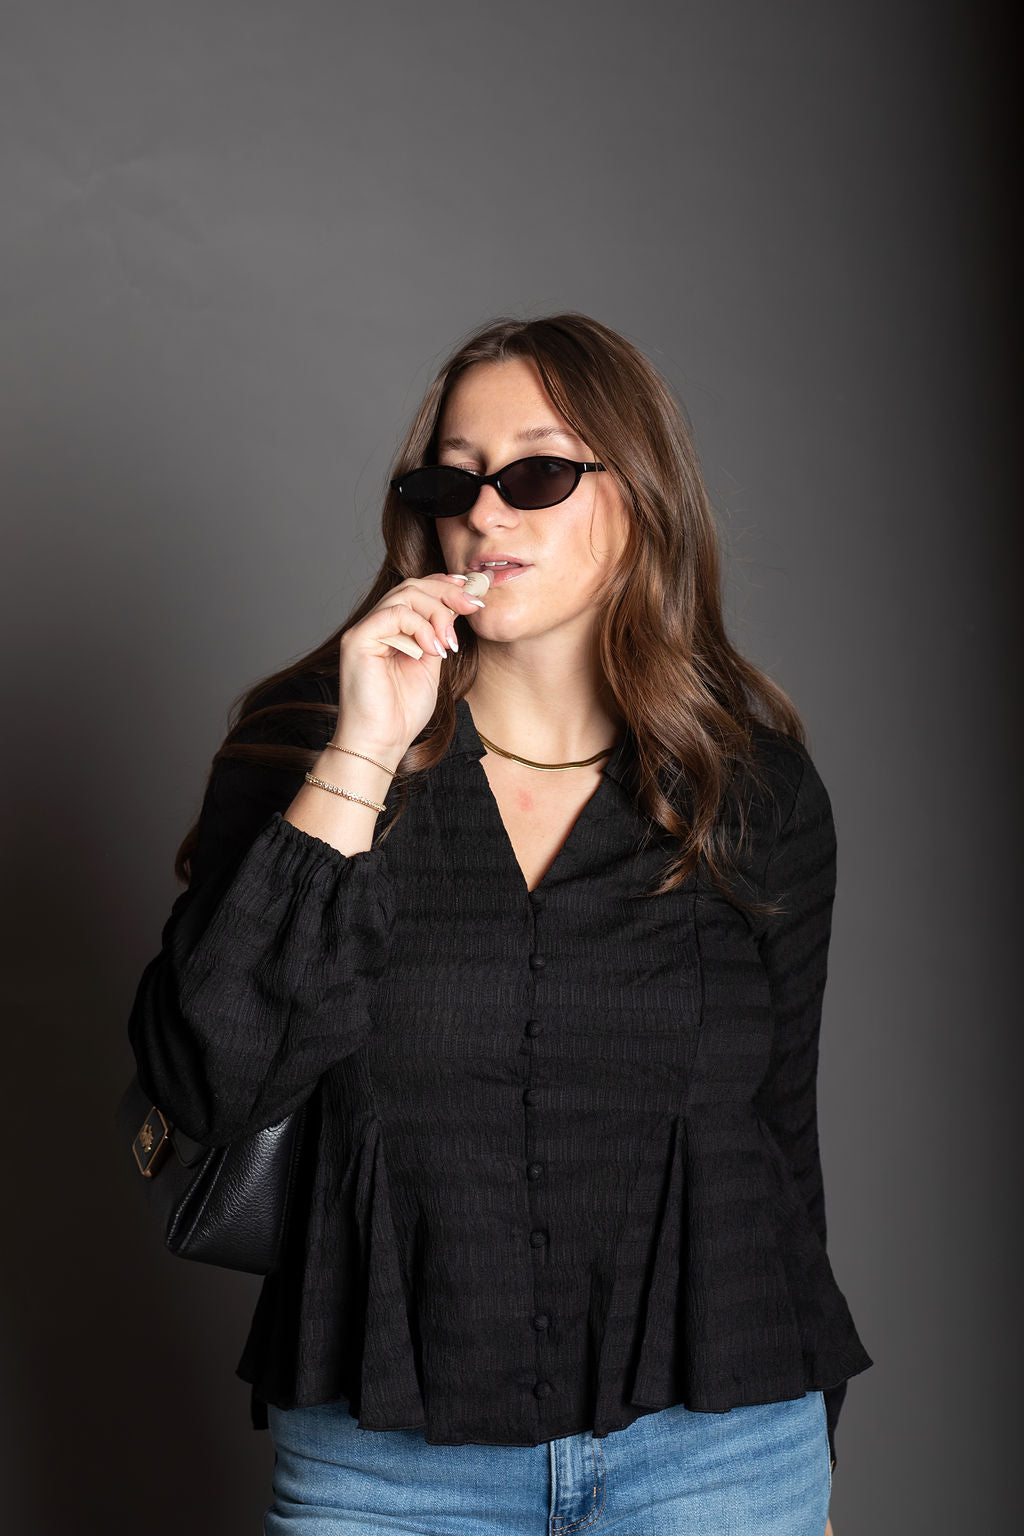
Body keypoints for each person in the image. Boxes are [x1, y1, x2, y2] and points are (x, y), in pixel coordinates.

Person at [126, 311, 873, 1534]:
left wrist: (807, 1453)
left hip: (720, 1454)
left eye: (534, 474)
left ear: (639, 498)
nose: (484, 513)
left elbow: (781, 1134)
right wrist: (360, 754)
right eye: (451, 481)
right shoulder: (304, 754)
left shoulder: (752, 792)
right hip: (387, 1470)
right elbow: (211, 1083)